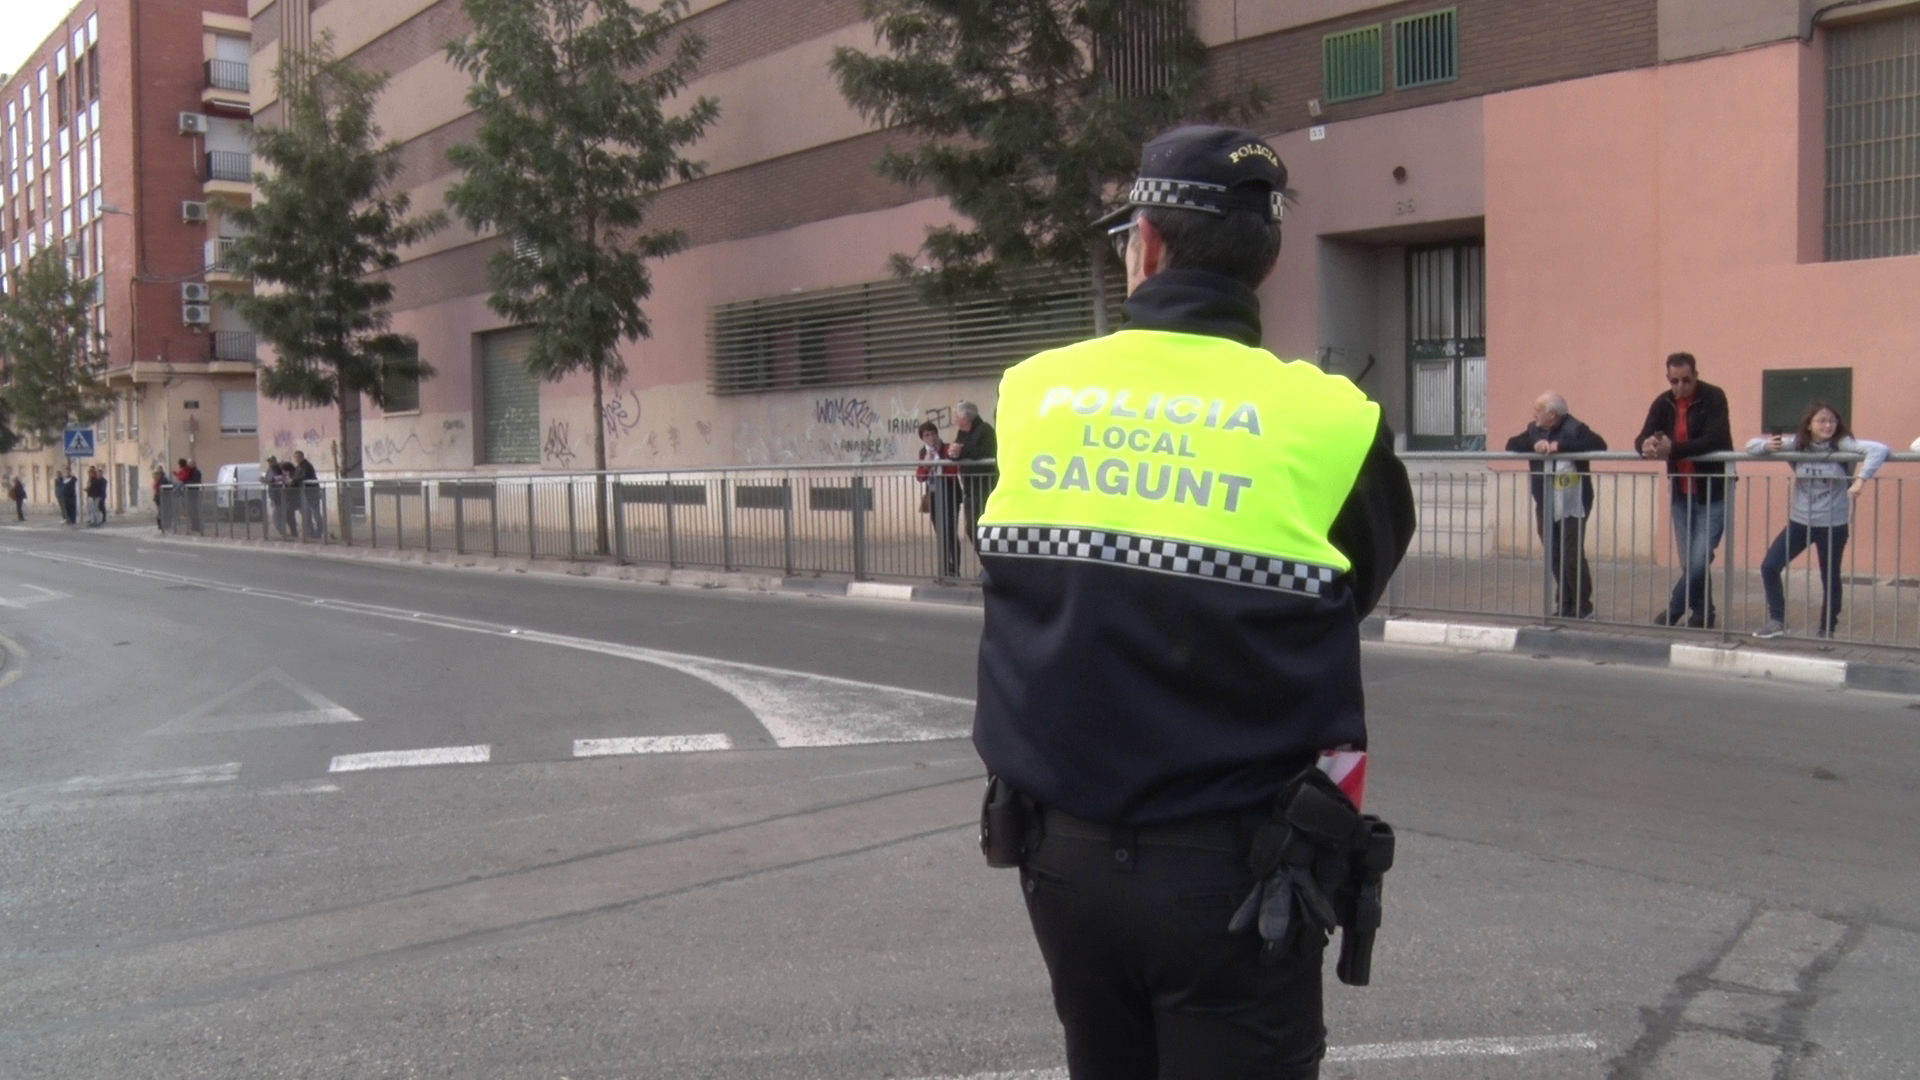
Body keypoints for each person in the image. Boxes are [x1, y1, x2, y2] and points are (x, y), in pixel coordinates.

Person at [972, 126, 1416, 1080]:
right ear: (1268, 255)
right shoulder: (1333, 421)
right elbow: (1353, 588)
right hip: (1242, 870)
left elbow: (1034, 580)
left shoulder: (1034, 395)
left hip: (1064, 863)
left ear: (1147, 244)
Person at [1745, 402, 1888, 639]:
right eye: (1821, 420)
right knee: (1770, 565)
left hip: (1833, 523)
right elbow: (1750, 446)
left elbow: (1880, 449)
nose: (1828, 425)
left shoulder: (1843, 445)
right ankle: (1778, 620)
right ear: (1809, 424)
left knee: (1829, 576)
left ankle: (1827, 629)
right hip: (1800, 521)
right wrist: (1766, 446)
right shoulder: (1798, 444)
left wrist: (1861, 480)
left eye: (1832, 420)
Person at [1635, 353, 1733, 629]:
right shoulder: (1663, 402)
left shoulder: (1714, 397)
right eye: (1674, 381)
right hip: (1681, 492)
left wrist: (1673, 449)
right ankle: (1704, 614)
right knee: (1690, 560)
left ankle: (1675, 608)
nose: (1680, 386)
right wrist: (1646, 446)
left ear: (1696, 375)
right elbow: (1643, 435)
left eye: (1686, 380)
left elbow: (1715, 438)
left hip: (1712, 490)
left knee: (1700, 557)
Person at [1504, 392, 1607, 618]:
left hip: (1573, 500)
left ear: (1552, 414)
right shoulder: (1534, 429)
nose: (1534, 414)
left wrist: (1560, 446)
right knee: (1554, 552)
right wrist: (1536, 444)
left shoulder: (1575, 427)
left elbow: (1599, 444)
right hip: (1545, 500)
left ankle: (1582, 605)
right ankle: (1565, 603)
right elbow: (1511, 444)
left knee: (1571, 552)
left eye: (1538, 410)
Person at [945, 402, 997, 556]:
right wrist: (953, 453)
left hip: (985, 485)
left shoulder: (985, 430)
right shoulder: (962, 433)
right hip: (969, 486)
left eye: (957, 416)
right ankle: (985, 558)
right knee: (971, 527)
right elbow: (959, 453)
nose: (954, 419)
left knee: (983, 526)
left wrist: (963, 451)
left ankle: (990, 560)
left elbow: (988, 451)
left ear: (966, 417)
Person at [915, 421, 962, 577]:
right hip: (934, 495)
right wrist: (926, 465)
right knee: (940, 532)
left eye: (933, 433)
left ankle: (954, 568)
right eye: (926, 435)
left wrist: (939, 463)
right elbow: (920, 477)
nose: (931, 438)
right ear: (922, 438)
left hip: (950, 494)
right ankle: (944, 568)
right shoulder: (923, 452)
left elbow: (953, 469)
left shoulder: (946, 448)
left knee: (950, 531)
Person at [292, 450, 323, 538]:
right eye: (295, 457)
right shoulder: (298, 467)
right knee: (306, 513)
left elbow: (303, 477)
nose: (296, 459)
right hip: (304, 493)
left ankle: (319, 531)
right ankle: (310, 532)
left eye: (298, 457)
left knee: (315, 512)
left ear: (302, 457)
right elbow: (296, 476)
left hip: (312, 492)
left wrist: (294, 481)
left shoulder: (307, 466)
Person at [265, 457, 293, 538]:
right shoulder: (270, 469)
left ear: (275, 461)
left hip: (280, 496)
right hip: (275, 496)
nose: (270, 463)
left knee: (276, 517)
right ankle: (285, 533)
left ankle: (284, 534)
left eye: (271, 461)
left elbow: (282, 479)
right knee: (282, 516)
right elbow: (270, 480)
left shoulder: (278, 469)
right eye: (269, 461)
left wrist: (270, 480)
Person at [175, 458, 204, 534]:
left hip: (193, 492)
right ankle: (193, 526)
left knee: (194, 510)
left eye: (189, 464)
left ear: (193, 464)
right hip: (189, 492)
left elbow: (194, 481)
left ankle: (196, 526)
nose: (187, 465)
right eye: (187, 464)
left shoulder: (196, 472)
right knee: (191, 510)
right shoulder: (190, 471)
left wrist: (185, 483)